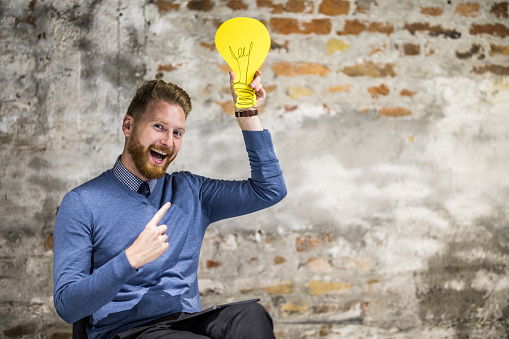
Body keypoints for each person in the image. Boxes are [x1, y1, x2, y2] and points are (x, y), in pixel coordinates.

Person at [53, 70, 287, 339]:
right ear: (128, 126)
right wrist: (131, 258)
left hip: (188, 321)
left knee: (251, 316)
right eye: (159, 127)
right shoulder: (82, 203)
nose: (168, 141)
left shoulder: (190, 191)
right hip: (127, 331)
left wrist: (247, 112)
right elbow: (67, 306)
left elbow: (270, 189)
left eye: (178, 133)